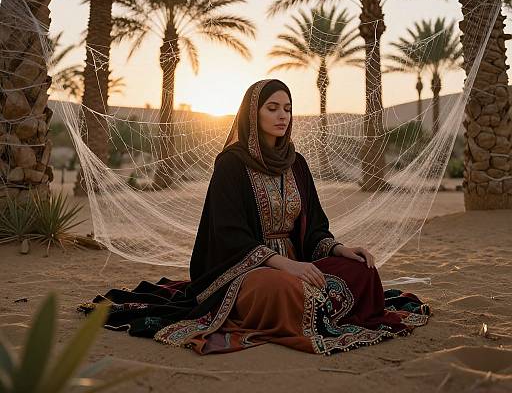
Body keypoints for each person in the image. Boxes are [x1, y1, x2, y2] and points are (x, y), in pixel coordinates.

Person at [80, 79, 429, 355]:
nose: (282, 116)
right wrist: (285, 265)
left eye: (288, 109)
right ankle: (308, 309)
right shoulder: (231, 164)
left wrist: (339, 251)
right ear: (253, 113)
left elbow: (315, 228)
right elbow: (228, 236)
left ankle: (316, 305)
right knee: (285, 287)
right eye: (272, 107)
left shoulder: (297, 164)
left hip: (300, 263)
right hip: (246, 271)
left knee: (362, 270)